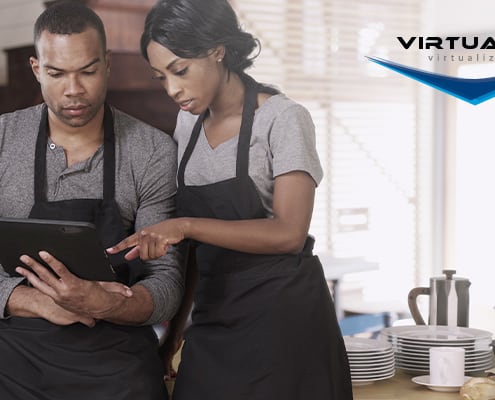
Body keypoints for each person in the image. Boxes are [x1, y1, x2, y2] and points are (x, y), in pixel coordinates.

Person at [108, 0, 353, 399]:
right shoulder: (187, 123)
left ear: (217, 50)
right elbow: (194, 251)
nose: (173, 90)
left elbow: (288, 234)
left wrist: (183, 226)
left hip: (285, 325)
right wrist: (174, 334)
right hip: (214, 317)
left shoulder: (283, 119)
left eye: (180, 71)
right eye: (161, 77)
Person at [0, 2, 183, 399]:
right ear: (36, 69)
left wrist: (105, 304)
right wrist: (32, 300)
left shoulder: (151, 150)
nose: (74, 90)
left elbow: (166, 283)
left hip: (117, 367)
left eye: (87, 71)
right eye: (56, 73)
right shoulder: (1, 141)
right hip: (14, 364)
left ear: (107, 64)